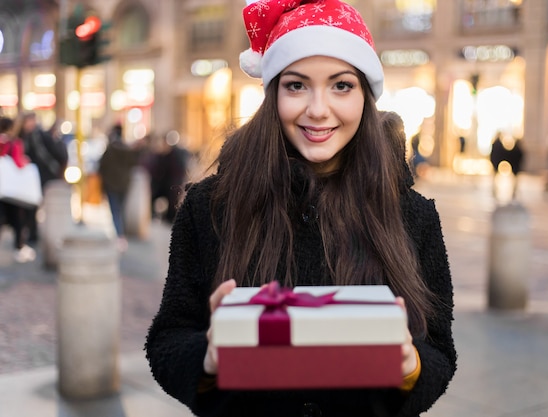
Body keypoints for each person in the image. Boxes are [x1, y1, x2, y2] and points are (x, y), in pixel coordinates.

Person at [145, 1, 457, 416]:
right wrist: (207, 357)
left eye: (341, 85)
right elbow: (168, 339)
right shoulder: (209, 207)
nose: (317, 109)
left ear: (366, 94)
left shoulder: (413, 216)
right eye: (296, 85)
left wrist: (409, 366)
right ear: (273, 92)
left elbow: (439, 352)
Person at [17, 112, 68, 246]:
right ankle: (32, 233)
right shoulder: (22, 137)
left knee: (46, 206)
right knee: (30, 206)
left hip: (45, 176)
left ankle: (42, 234)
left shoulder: (41, 136)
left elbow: (60, 153)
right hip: (28, 178)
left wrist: (59, 172)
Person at [98, 123, 140, 252]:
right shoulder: (127, 150)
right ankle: (122, 235)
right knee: (121, 210)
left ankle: (119, 236)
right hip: (124, 184)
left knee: (115, 211)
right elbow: (134, 163)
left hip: (111, 185)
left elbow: (101, 167)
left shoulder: (109, 150)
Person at [0, 117, 36, 263]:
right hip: (11, 190)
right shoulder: (14, 143)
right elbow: (18, 163)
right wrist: (26, 161)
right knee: (17, 219)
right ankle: (19, 247)